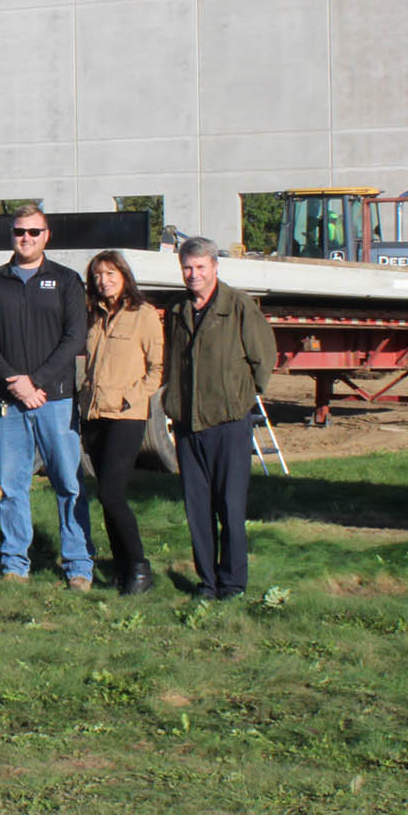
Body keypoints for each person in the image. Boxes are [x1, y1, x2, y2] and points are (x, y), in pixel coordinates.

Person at [0, 204, 92, 588]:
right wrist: (13, 381)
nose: (26, 238)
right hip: (9, 402)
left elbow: (74, 337)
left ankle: (78, 565)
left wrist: (37, 382)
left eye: (34, 232)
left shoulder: (67, 280)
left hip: (54, 400)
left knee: (68, 484)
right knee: (13, 486)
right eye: (20, 232)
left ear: (47, 236)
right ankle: (14, 563)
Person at [161, 236, 276, 600]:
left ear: (214, 268)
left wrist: (238, 398)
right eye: (187, 268)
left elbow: (263, 360)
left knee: (230, 506)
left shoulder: (238, 306)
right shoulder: (177, 311)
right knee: (198, 511)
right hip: (188, 425)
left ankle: (233, 583)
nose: (193, 274)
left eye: (200, 267)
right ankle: (207, 582)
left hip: (228, 422)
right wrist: (172, 401)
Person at [80, 249, 164, 595]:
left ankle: (140, 567)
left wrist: (132, 397)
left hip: (126, 416)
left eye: (111, 274)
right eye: (98, 275)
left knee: (112, 493)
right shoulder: (95, 316)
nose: (104, 281)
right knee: (105, 494)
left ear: (125, 276)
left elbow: (157, 369)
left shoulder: (142, 314)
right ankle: (121, 567)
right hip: (95, 414)